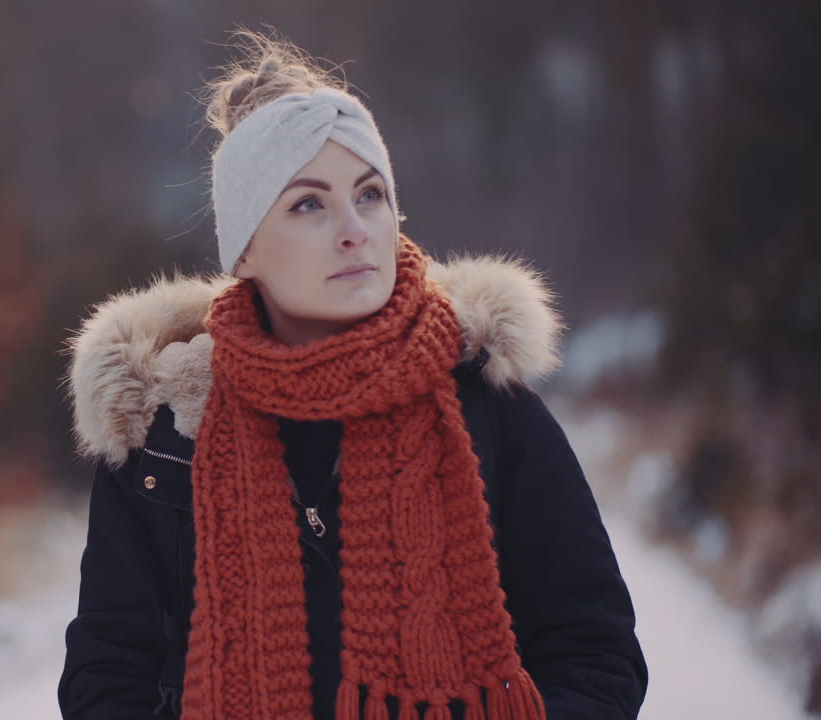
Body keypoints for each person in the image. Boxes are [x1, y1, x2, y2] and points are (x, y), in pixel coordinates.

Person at [58, 31, 647, 720]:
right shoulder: (164, 437)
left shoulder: (488, 405)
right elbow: (105, 681)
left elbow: (596, 658)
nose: (355, 230)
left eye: (370, 195)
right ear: (243, 249)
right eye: (309, 204)